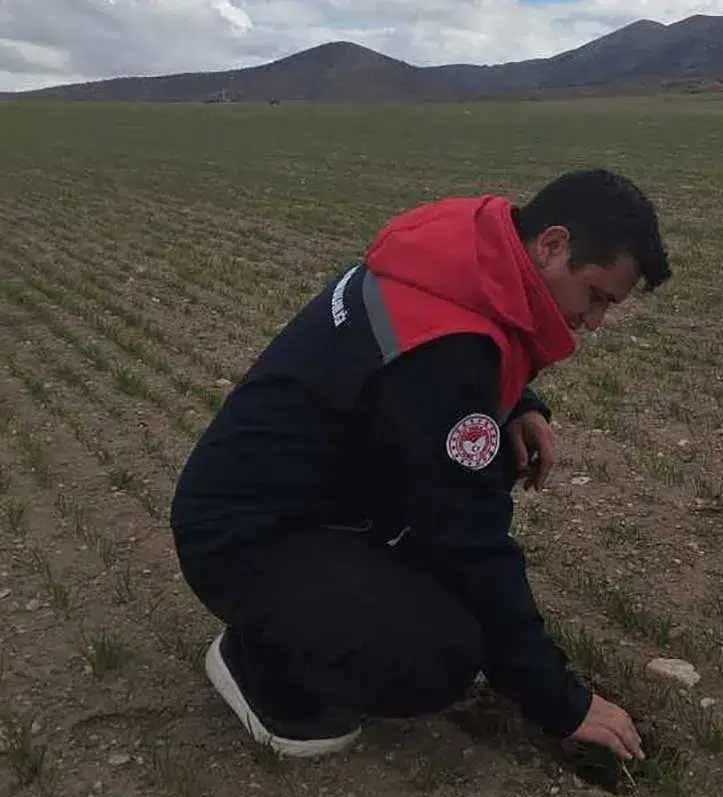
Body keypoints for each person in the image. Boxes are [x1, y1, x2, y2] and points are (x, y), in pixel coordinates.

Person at [168, 169, 671, 761]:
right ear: (553, 245)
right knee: (439, 654)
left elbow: (442, 366)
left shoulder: (459, 248)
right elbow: (471, 539)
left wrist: (516, 404)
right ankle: (261, 672)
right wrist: (562, 702)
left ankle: (333, 594)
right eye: (596, 296)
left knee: (485, 458)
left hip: (291, 499)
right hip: (240, 539)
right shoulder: (448, 353)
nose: (594, 321)